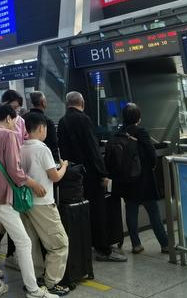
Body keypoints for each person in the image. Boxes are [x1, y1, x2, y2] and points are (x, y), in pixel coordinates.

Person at [0, 103, 59, 298]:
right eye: (15, 121)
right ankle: (33, 291)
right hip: (3, 197)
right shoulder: (8, 135)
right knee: (24, 242)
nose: (16, 125)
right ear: (9, 118)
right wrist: (33, 183)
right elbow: (15, 170)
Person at [58, 91, 126, 262]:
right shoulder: (84, 119)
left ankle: (85, 245)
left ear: (67, 104)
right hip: (90, 174)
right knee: (98, 211)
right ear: (82, 103)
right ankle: (103, 249)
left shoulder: (63, 121)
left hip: (73, 175)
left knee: (81, 211)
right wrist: (102, 173)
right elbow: (92, 148)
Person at [20, 112, 71, 295]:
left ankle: (34, 279)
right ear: (41, 128)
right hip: (43, 203)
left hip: (25, 203)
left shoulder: (20, 147)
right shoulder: (42, 149)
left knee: (32, 243)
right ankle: (51, 283)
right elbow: (54, 177)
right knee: (59, 244)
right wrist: (64, 166)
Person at [112, 103, 168, 254]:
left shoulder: (118, 133)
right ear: (138, 117)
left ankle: (136, 244)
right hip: (144, 180)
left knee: (131, 212)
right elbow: (151, 153)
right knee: (153, 212)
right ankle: (165, 244)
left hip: (126, 181)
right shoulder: (140, 132)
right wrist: (152, 166)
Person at [29, 91, 59, 160]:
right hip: (45, 158)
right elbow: (53, 144)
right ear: (43, 102)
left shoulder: (23, 119)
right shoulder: (47, 121)